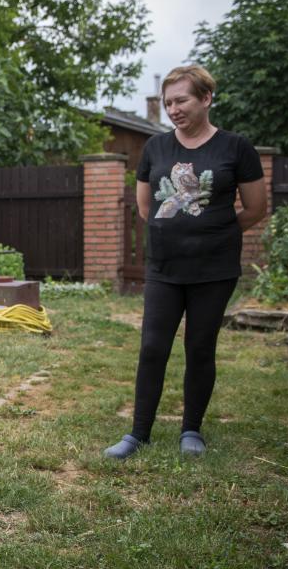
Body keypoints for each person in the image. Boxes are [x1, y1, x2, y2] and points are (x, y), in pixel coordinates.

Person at [104, 65, 267, 459]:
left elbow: (256, 208)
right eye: (168, 102)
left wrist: (216, 233)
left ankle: (191, 430)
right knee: (152, 347)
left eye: (182, 100)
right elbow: (146, 207)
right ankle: (138, 433)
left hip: (214, 270)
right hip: (164, 268)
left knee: (199, 346)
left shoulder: (235, 148)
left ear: (206, 99)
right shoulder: (156, 148)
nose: (174, 109)